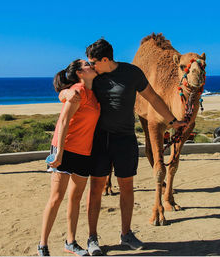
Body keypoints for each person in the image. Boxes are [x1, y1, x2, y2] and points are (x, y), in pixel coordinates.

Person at [62, 39, 186, 256]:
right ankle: (92, 238)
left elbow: (153, 98)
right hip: (99, 140)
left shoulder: (132, 73)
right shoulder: (93, 76)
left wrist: (172, 120)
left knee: (127, 188)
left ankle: (126, 233)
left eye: (93, 62)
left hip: (125, 140)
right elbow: (68, 87)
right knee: (96, 189)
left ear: (105, 59)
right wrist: (64, 94)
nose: (90, 66)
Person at [37, 59, 100, 256]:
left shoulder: (92, 92)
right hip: (65, 149)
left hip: (84, 152)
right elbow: (63, 120)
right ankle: (43, 245)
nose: (92, 64)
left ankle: (70, 242)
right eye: (88, 64)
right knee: (56, 198)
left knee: (76, 198)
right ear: (80, 73)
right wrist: (59, 152)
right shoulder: (78, 90)